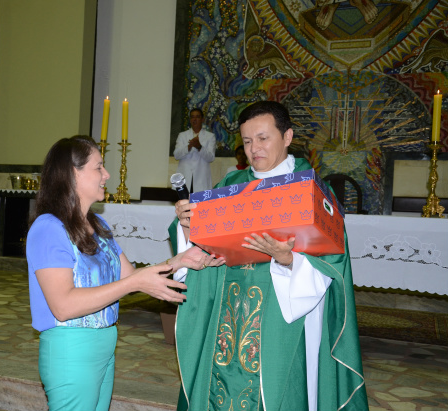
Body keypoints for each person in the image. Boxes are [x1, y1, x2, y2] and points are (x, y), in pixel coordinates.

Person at [170, 101, 368, 411]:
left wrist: (289, 260)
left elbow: (333, 262)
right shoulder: (229, 186)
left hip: (283, 316)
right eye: (247, 141)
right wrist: (187, 226)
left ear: (287, 136)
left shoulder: (312, 189)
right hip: (228, 315)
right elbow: (200, 249)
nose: (253, 149)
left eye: (263, 138)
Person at [26, 135, 224, 411]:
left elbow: (131, 277)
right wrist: (136, 281)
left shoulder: (98, 224)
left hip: (105, 346)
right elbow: (63, 306)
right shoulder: (49, 228)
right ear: (72, 173)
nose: (106, 174)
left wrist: (180, 261)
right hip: (71, 349)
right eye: (98, 167)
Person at [173, 108, 216, 193]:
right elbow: (176, 155)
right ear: (190, 120)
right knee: (184, 204)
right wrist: (189, 146)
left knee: (200, 205)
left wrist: (199, 146)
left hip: (201, 178)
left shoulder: (210, 136)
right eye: (192, 117)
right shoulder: (182, 135)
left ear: (202, 119)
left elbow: (211, 158)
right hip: (185, 176)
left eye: (197, 117)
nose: (194, 119)